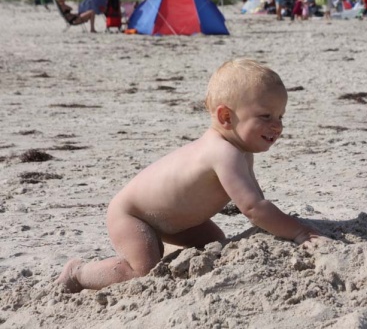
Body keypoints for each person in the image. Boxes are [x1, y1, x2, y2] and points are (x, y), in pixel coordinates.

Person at [55, 59, 324, 293]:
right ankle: (78, 272)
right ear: (226, 116)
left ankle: (167, 250)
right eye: (266, 116)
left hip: (176, 221)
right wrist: (300, 232)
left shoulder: (241, 150)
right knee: (142, 271)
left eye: (281, 116)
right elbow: (253, 208)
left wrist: (276, 224)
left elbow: (256, 198)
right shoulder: (222, 152)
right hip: (133, 216)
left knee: (214, 244)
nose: (277, 125)